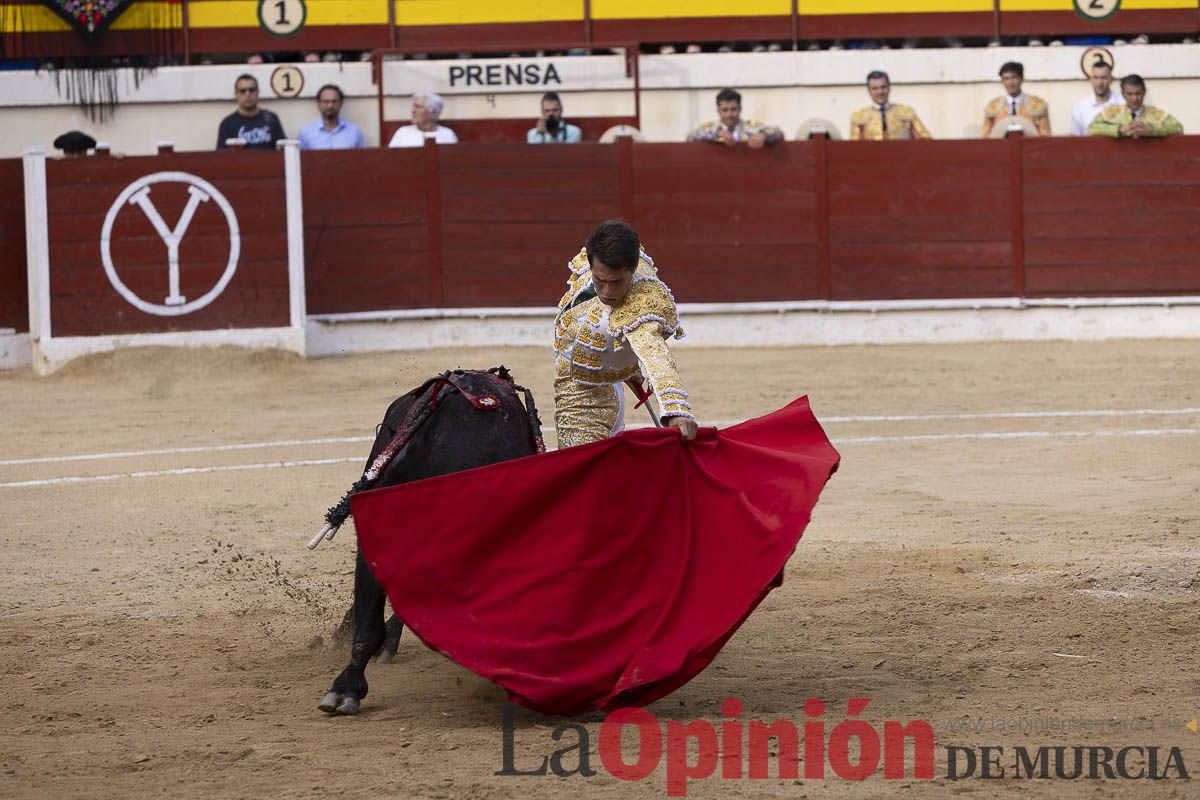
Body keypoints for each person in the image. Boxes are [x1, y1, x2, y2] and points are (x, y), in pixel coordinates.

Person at [553, 220, 697, 448]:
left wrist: (675, 411)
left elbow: (656, 356)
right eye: (600, 281)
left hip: (584, 399)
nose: (607, 291)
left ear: (632, 269)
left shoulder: (642, 303)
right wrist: (621, 362)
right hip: (604, 380)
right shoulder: (598, 256)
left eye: (617, 282)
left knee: (583, 464)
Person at [1088, 74, 1183, 138]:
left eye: (1138, 93)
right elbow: (1091, 129)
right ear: (1123, 94)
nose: (1134, 98)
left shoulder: (1154, 114)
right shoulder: (1113, 112)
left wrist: (1152, 129)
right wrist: (1118, 129)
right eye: (1129, 94)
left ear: (1144, 93)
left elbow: (1178, 128)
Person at [687, 89, 783, 149]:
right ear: (718, 111)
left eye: (733, 109)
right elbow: (690, 136)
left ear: (740, 109)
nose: (729, 114)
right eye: (725, 110)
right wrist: (717, 133)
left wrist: (764, 135)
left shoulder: (752, 128)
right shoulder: (711, 129)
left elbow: (779, 133)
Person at [850, 71, 932, 141]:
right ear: (869, 90)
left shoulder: (906, 112)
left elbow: (926, 141)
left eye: (883, 87)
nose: (880, 92)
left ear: (889, 87)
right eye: (875, 88)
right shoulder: (859, 116)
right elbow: (854, 148)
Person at [216, 74, 285, 150]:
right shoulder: (227, 124)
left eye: (251, 90)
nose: (248, 94)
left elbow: (284, 149)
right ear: (236, 94)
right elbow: (221, 155)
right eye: (243, 91)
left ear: (257, 92)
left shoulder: (271, 119)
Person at [982, 62, 1050, 137]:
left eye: (1014, 77)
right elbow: (986, 138)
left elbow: (1046, 137)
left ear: (1022, 78)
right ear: (1002, 82)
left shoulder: (1037, 105)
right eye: (1006, 79)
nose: (1010, 83)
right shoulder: (993, 106)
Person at [298, 84, 366, 150]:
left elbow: (363, 156)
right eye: (326, 101)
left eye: (334, 101)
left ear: (341, 103)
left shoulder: (354, 132)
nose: (330, 105)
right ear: (318, 104)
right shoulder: (306, 134)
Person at [1070, 58, 1123, 136]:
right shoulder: (1079, 106)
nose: (1099, 82)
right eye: (1096, 77)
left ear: (1111, 79)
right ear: (1090, 79)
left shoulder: (1123, 102)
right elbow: (1075, 138)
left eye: (1104, 78)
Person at [387, 91, 457, 147]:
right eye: (413, 106)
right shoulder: (402, 133)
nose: (413, 110)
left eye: (418, 107)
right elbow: (390, 158)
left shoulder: (447, 134)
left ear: (432, 112)